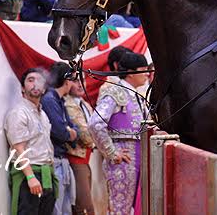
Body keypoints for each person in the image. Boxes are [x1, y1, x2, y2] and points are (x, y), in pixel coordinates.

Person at [89, 52, 149, 215]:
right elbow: (95, 123)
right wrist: (111, 152)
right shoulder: (114, 92)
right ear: (130, 73)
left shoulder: (136, 94)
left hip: (140, 158)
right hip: (123, 160)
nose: (147, 74)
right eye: (143, 70)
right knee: (120, 209)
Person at [4, 68, 57, 214]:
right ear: (22, 88)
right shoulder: (19, 112)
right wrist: (30, 176)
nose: (35, 84)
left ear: (44, 88)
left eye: (39, 81)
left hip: (46, 172)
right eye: (30, 80)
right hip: (29, 173)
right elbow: (18, 148)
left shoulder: (43, 114)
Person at [41, 62, 78, 215]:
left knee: (66, 207)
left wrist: (70, 131)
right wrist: (69, 132)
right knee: (57, 207)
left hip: (62, 159)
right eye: (73, 80)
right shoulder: (49, 99)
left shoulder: (59, 100)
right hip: (54, 159)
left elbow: (74, 129)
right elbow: (60, 132)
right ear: (67, 80)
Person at [65, 77, 96, 215]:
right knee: (85, 208)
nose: (80, 84)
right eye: (75, 81)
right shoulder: (67, 103)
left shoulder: (84, 103)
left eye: (82, 80)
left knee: (83, 206)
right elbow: (86, 136)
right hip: (75, 160)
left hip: (85, 159)